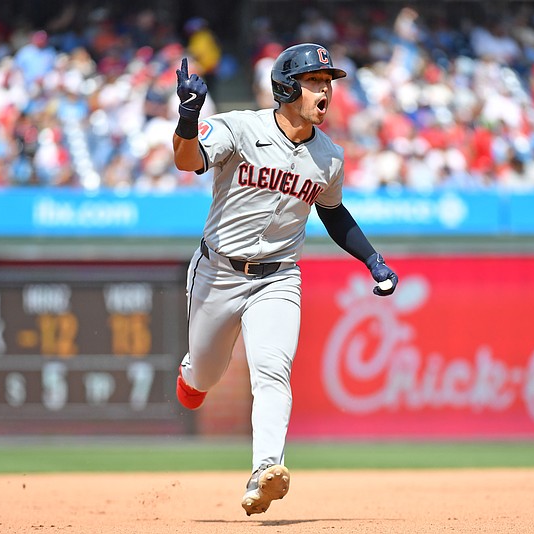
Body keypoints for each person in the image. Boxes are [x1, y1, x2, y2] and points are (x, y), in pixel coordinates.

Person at [171, 43, 398, 515]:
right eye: (316, 82)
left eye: (328, 82)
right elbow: (186, 161)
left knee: (272, 370)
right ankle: (192, 374)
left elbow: (334, 215)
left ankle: (265, 470)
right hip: (218, 271)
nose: (326, 91)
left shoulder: (329, 156)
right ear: (288, 87)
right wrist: (188, 120)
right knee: (206, 376)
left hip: (278, 278)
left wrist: (372, 259)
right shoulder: (241, 128)